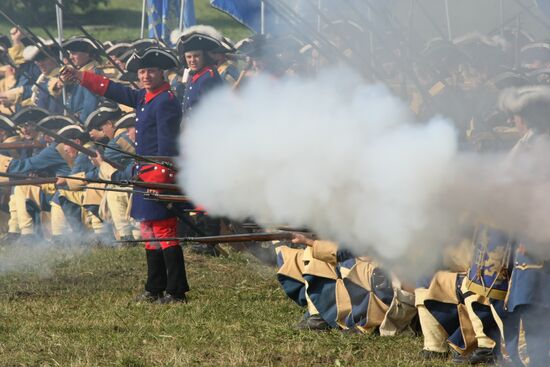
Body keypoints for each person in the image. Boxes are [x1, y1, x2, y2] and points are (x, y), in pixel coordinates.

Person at [60, 46, 189, 304]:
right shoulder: (145, 97)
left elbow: (167, 147)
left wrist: (160, 182)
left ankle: (176, 291)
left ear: (162, 73)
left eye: (151, 71)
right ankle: (155, 288)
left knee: (165, 233)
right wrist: (81, 76)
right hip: (145, 175)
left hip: (157, 176)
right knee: (148, 232)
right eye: (142, 72)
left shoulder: (166, 101)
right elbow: (114, 89)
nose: (145, 76)